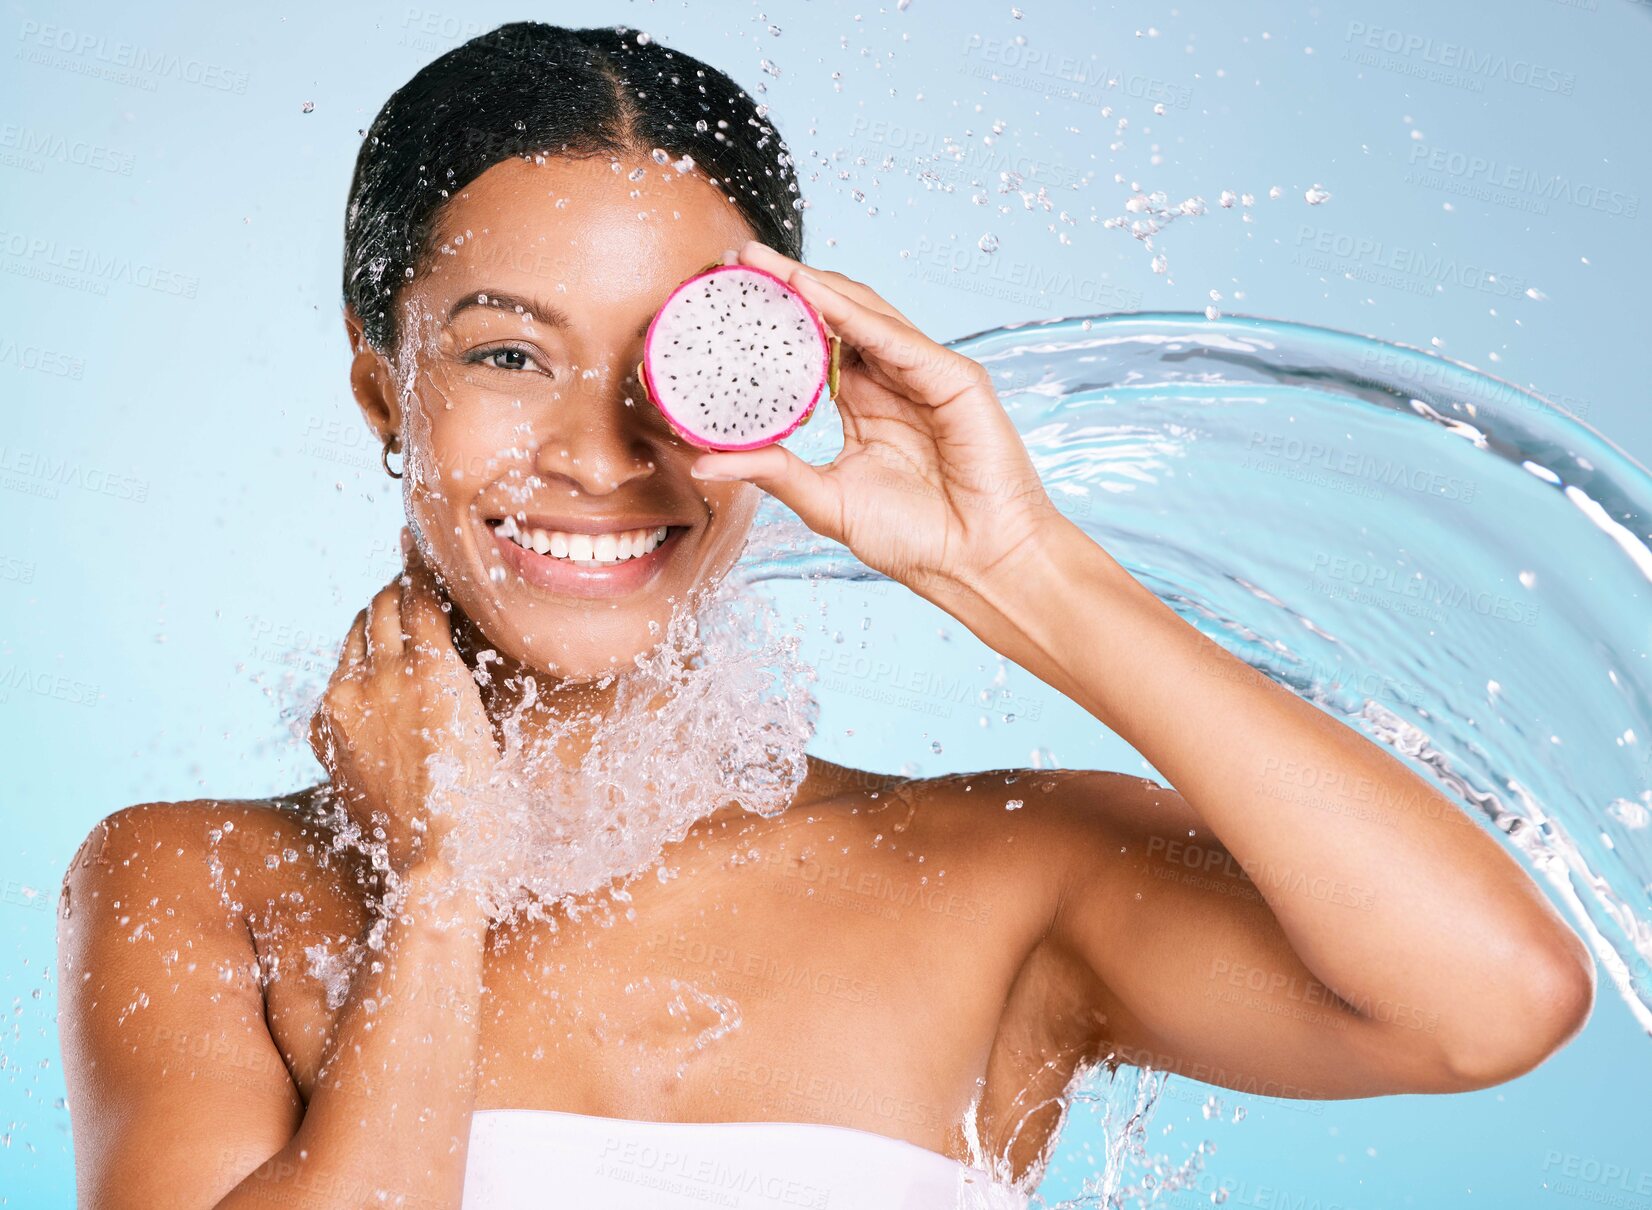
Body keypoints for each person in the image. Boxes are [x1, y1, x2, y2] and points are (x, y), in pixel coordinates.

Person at [56, 21, 1594, 1210]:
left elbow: (1492, 1002)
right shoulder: (202, 886)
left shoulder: (993, 877)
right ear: (385, 390)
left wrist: (1018, 566)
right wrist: (442, 884)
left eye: (675, 363)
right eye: (508, 356)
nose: (602, 455)